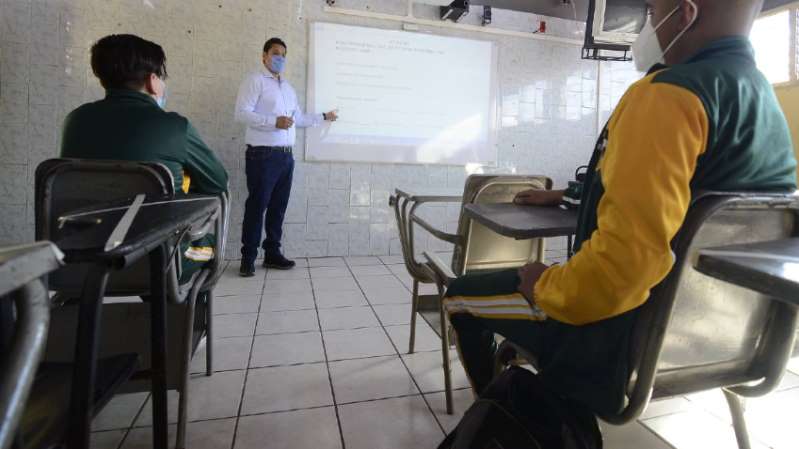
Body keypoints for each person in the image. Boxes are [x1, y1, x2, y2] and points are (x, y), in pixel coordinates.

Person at [444, 0, 797, 417]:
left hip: (612, 337)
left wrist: (544, 286)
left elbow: (623, 266)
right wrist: (566, 195)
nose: (647, 26)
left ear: (685, 14)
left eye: (651, 12)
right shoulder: (760, 96)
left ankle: (499, 414)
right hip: (717, 341)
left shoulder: (669, 95)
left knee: (459, 296)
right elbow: (680, 197)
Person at [60, 34, 229, 282]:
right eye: (161, 76)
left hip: (83, 259)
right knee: (210, 247)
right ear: (152, 81)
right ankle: (172, 318)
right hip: (163, 262)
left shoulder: (75, 121)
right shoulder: (173, 127)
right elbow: (217, 183)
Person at [235, 38, 338, 277]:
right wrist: (274, 122)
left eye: (283, 55)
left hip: (285, 157)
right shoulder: (255, 81)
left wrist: (323, 116)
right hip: (262, 155)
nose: (280, 58)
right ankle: (248, 259)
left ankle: (272, 253)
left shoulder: (287, 88)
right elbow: (241, 114)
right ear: (264, 56)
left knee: (278, 208)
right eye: (275, 53)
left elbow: (298, 119)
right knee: (257, 206)